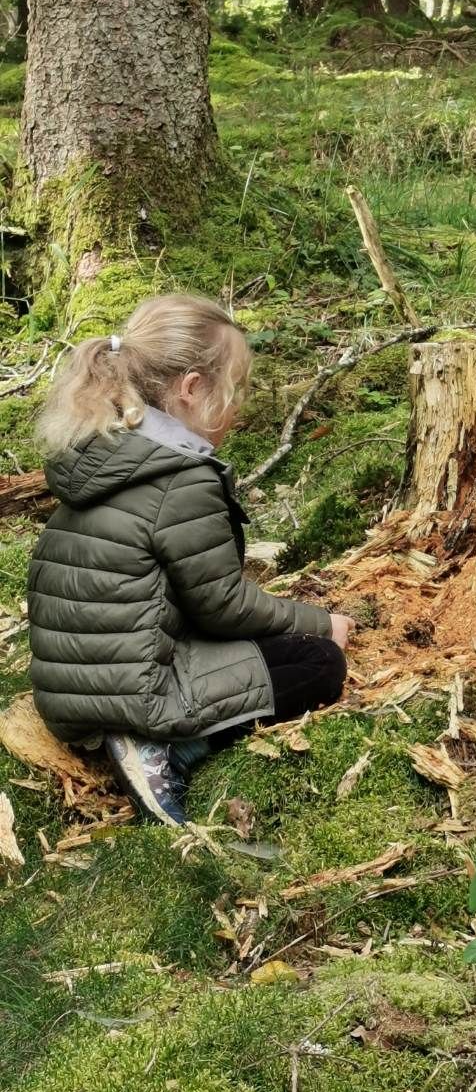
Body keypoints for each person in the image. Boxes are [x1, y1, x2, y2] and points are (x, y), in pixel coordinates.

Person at [27, 294, 353, 828]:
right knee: (318, 663)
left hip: (66, 693)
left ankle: (133, 734)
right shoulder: (180, 477)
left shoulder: (109, 451)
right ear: (193, 388)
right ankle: (164, 749)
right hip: (138, 695)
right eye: (235, 388)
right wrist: (322, 623)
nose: (239, 406)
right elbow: (223, 606)